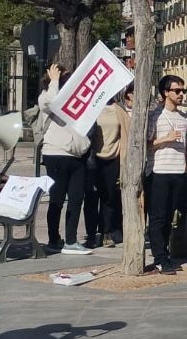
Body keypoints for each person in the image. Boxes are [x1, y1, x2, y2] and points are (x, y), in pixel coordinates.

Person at [38, 63, 94, 255]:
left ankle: (71, 240)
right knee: (57, 199)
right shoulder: (47, 95)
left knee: (77, 198)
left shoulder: (76, 100)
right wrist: (54, 81)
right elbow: (50, 102)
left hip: (77, 154)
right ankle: (54, 239)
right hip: (56, 153)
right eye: (66, 78)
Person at [146, 74, 187, 275]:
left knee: (169, 218)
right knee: (158, 216)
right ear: (166, 93)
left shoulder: (185, 118)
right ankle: (159, 258)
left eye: (183, 90)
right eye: (177, 90)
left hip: (178, 171)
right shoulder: (154, 115)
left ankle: (165, 254)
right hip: (159, 171)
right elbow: (147, 143)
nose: (181, 94)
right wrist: (166, 138)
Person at [86, 94, 128, 248]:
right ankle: (91, 234)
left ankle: (107, 232)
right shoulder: (92, 107)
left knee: (109, 198)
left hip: (113, 158)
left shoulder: (118, 110)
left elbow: (125, 132)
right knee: (91, 198)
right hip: (93, 158)